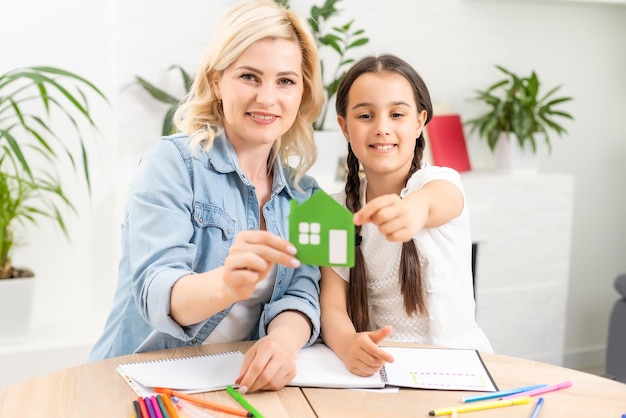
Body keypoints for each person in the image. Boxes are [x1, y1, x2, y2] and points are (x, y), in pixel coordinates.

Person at [89, 0, 325, 394]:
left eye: (286, 81)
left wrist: (283, 342)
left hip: (232, 386)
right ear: (217, 81)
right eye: (250, 76)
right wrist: (225, 285)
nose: (268, 98)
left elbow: (305, 290)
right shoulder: (173, 162)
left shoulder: (309, 195)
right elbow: (156, 288)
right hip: (136, 382)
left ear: (302, 91)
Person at [320, 54, 493, 377]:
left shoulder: (441, 182)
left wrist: (410, 212)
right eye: (366, 115)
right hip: (385, 372)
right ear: (344, 126)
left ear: (419, 121)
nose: (382, 128)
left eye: (397, 114)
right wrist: (347, 344)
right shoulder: (331, 211)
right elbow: (332, 307)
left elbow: (433, 202)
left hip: (460, 369)